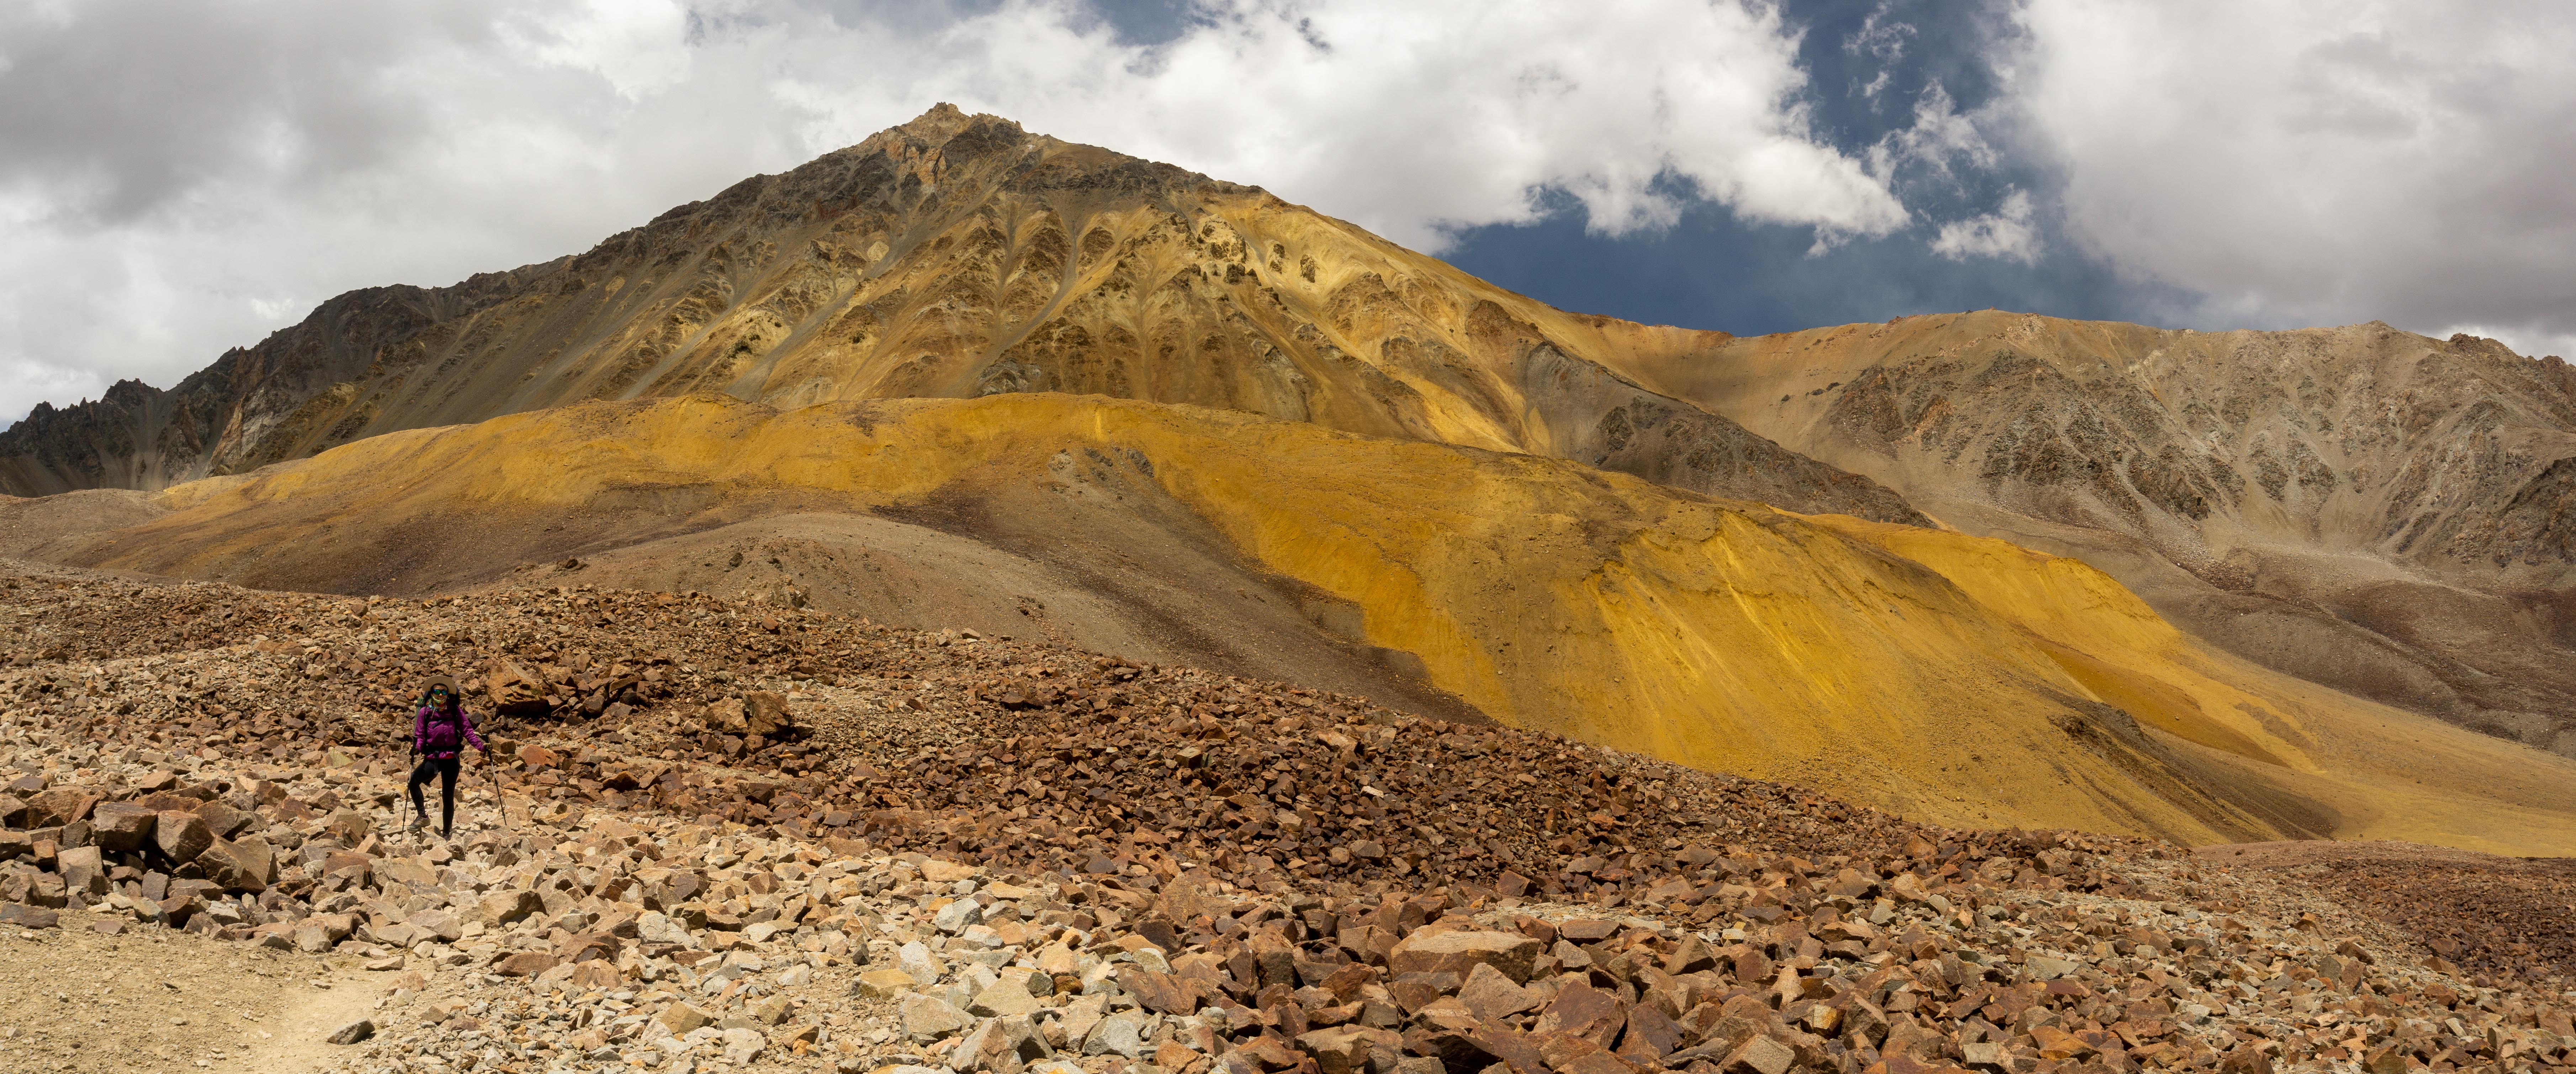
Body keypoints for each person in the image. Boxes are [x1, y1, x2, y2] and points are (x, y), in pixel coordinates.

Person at [407, 675, 489, 838]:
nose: (440, 694)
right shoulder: (424, 712)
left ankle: (447, 833)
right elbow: (420, 736)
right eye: (437, 691)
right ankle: (423, 816)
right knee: (413, 781)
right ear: (431, 693)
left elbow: (467, 731)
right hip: (433, 757)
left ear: (448, 694)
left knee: (448, 795)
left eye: (444, 692)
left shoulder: (454, 710)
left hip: (451, 759)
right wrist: (416, 749)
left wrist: (482, 747)